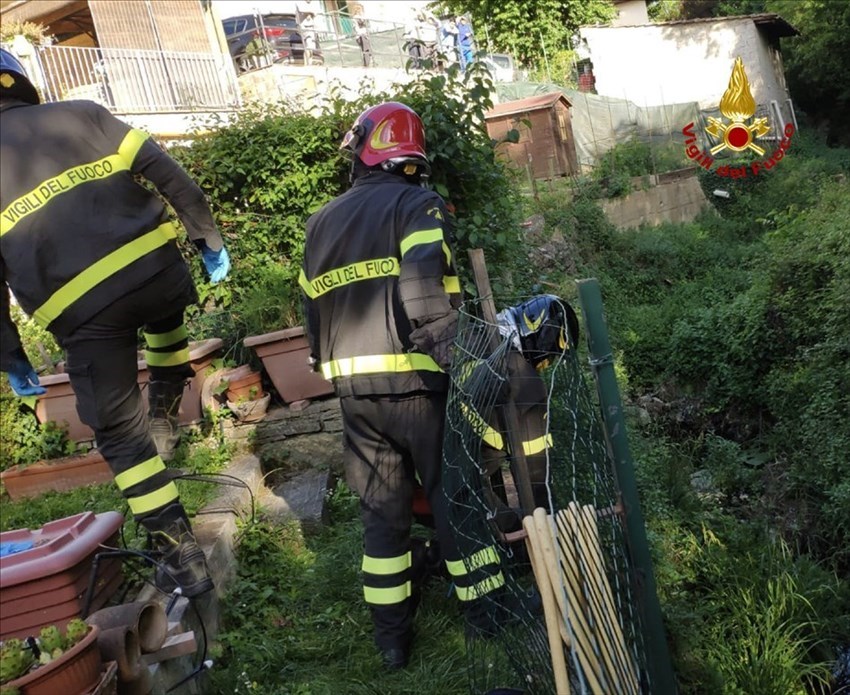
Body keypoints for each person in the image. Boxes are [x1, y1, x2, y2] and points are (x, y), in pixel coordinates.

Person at [0, 48, 230, 599]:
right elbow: (170, 175)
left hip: (85, 315)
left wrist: (12, 357)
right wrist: (206, 238)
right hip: (159, 274)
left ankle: (182, 558)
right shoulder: (84, 112)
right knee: (160, 310)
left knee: (119, 438)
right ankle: (167, 401)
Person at [299, 101, 505, 669]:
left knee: (381, 515)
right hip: (418, 384)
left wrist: (327, 364)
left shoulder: (320, 222)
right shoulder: (420, 205)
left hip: (355, 395)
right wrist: (456, 357)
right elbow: (421, 282)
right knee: (454, 500)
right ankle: (487, 617)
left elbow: (311, 309)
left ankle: (391, 642)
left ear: (365, 149)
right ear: (409, 158)